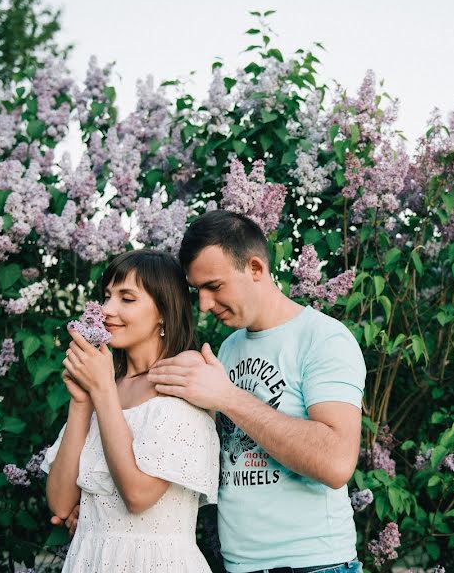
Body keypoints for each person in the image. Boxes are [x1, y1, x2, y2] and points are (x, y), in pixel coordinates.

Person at [147, 210, 366, 573]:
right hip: (240, 566)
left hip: (314, 566)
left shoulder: (324, 339)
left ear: (255, 269)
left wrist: (228, 397)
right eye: (197, 291)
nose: (203, 305)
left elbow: (336, 462)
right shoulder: (229, 348)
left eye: (214, 287)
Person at [42, 249, 219, 572]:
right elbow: (59, 503)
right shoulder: (105, 383)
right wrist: (82, 402)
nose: (107, 310)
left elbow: (138, 496)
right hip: (90, 559)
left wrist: (102, 390)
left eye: (127, 298)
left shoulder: (184, 379)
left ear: (164, 311)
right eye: (106, 296)